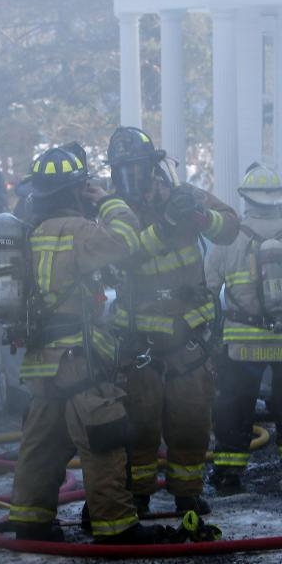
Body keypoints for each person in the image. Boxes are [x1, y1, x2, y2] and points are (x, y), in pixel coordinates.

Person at [6, 145, 166, 544]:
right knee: (102, 437)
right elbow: (127, 241)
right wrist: (110, 201)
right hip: (78, 358)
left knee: (42, 440)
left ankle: (30, 520)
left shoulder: (29, 233)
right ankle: (116, 526)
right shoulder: (78, 231)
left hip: (42, 359)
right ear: (76, 191)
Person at [105, 126, 239, 515]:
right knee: (140, 423)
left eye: (135, 168)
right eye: (121, 170)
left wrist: (199, 216)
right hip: (139, 336)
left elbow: (229, 227)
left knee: (191, 419)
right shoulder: (115, 210)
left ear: (152, 167)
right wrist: (163, 227)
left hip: (188, 335)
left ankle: (187, 493)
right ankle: (140, 494)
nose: (128, 178)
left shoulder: (182, 196)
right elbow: (119, 257)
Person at [206, 163, 282, 491]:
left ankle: (228, 474)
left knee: (234, 408)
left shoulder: (230, 234)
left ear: (245, 198)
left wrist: (208, 337)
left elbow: (207, 288)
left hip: (241, 343)